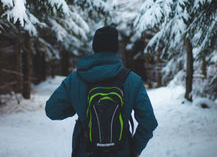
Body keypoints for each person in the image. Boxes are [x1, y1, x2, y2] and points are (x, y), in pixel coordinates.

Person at [45, 26, 158, 157]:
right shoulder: (132, 80)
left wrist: (75, 106)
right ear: (115, 48)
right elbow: (149, 122)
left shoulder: (75, 79)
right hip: (122, 152)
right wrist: (134, 150)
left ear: (94, 47)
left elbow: (52, 110)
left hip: (85, 151)